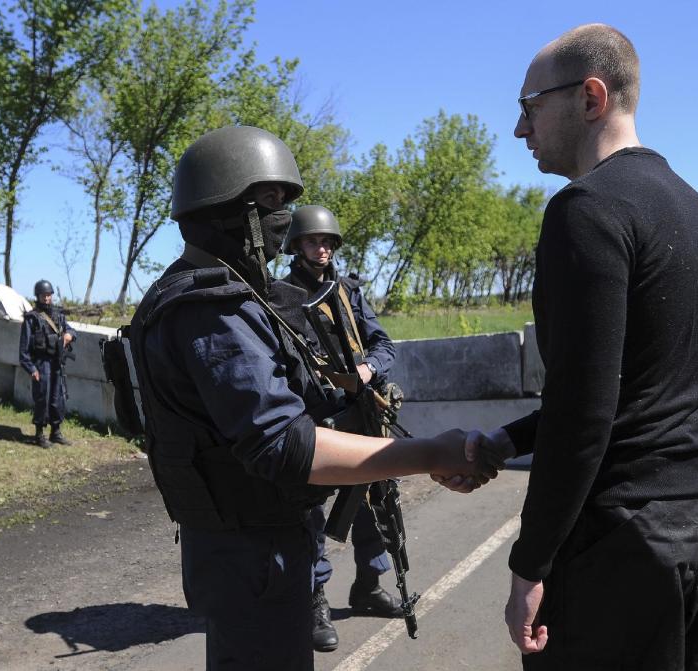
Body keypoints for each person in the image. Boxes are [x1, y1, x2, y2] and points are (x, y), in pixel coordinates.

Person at [128, 125, 493, 671]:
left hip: (244, 548)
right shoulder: (213, 308)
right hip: (254, 551)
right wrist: (428, 454)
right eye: (272, 202)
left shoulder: (209, 293)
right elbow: (283, 445)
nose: (285, 220)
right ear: (231, 209)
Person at [444, 23, 698, 670]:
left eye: (529, 107)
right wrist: (507, 440)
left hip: (622, 544)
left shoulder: (585, 211)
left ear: (590, 98)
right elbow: (646, 390)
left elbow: (586, 410)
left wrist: (530, 565)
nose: (520, 130)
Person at [281, 205, 401, 652]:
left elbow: (383, 343)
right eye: (313, 241)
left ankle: (368, 585)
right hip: (314, 418)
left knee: (375, 500)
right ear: (296, 245)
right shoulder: (281, 296)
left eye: (328, 241)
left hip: (362, 413)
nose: (323, 248)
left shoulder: (347, 291)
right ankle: (316, 601)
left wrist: (368, 369)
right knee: (310, 515)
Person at [19, 280, 76, 448]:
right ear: (38, 296)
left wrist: (69, 336)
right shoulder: (32, 318)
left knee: (58, 397)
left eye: (49, 295)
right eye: (44, 295)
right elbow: (23, 349)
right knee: (42, 398)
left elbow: (72, 330)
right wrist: (31, 369)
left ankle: (56, 432)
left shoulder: (59, 315)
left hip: (56, 362)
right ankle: (39, 434)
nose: (47, 298)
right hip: (41, 363)